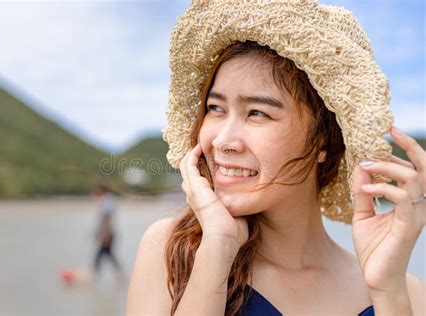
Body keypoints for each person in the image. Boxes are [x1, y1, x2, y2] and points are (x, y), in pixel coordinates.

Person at [126, 1, 425, 315]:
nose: (224, 141)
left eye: (257, 113)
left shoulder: (403, 290)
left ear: (323, 138)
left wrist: (388, 291)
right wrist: (217, 249)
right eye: (216, 108)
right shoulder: (174, 254)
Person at [92, 183, 121, 275]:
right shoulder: (109, 200)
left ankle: (94, 275)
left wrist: (104, 235)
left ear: (101, 190)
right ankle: (119, 274)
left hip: (107, 233)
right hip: (107, 233)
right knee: (107, 254)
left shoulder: (107, 201)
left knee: (101, 255)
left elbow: (106, 219)